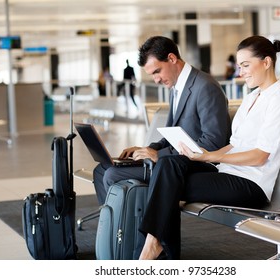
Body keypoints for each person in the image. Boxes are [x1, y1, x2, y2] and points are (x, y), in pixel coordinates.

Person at [138, 35, 280, 260]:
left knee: (167, 183)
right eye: (240, 66)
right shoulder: (252, 98)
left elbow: (260, 156)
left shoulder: (279, 102)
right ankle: (157, 247)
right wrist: (201, 155)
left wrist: (208, 157)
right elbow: (234, 144)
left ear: (266, 62)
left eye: (245, 65)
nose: (240, 72)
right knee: (168, 164)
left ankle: (152, 250)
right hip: (227, 174)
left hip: (251, 184)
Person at [92, 36, 230, 207]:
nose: (156, 80)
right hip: (173, 161)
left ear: (172, 59)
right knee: (101, 170)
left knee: (112, 174)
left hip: (196, 166)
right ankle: (111, 228)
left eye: (157, 71)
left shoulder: (205, 87)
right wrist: (149, 149)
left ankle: (128, 231)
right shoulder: (176, 88)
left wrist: (159, 156)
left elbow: (213, 143)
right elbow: (172, 135)